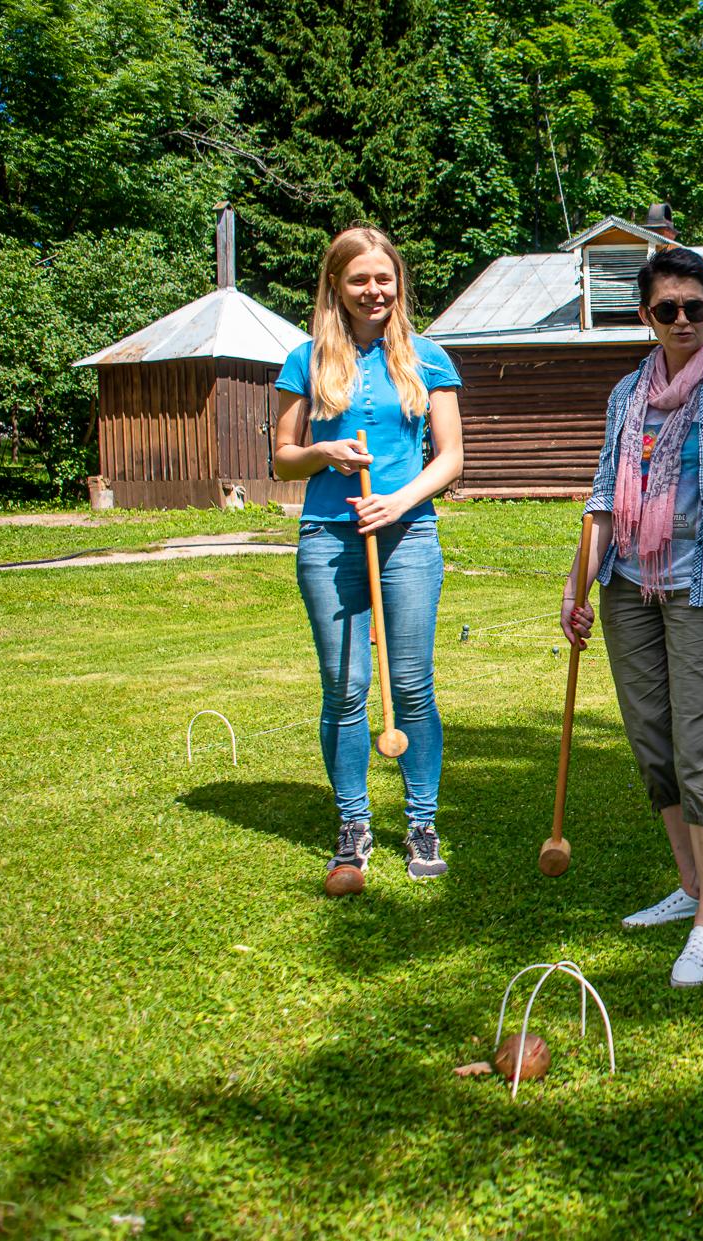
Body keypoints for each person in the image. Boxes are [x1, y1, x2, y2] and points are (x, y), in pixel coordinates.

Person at [560, 246, 703, 985]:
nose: (683, 318)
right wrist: (577, 588)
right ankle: (686, 882)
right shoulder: (626, 394)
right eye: (668, 309)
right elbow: (603, 494)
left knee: (699, 746)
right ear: (646, 316)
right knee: (652, 743)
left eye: (696, 306)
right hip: (629, 584)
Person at [271, 226, 465, 884]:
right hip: (328, 536)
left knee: (411, 684)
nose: (373, 290)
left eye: (384, 278)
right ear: (336, 285)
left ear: (398, 283)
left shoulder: (428, 357)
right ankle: (353, 825)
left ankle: (422, 823)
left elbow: (452, 458)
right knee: (346, 688)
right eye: (359, 279)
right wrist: (324, 452)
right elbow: (282, 455)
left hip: (408, 535)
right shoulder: (307, 359)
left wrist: (398, 501)